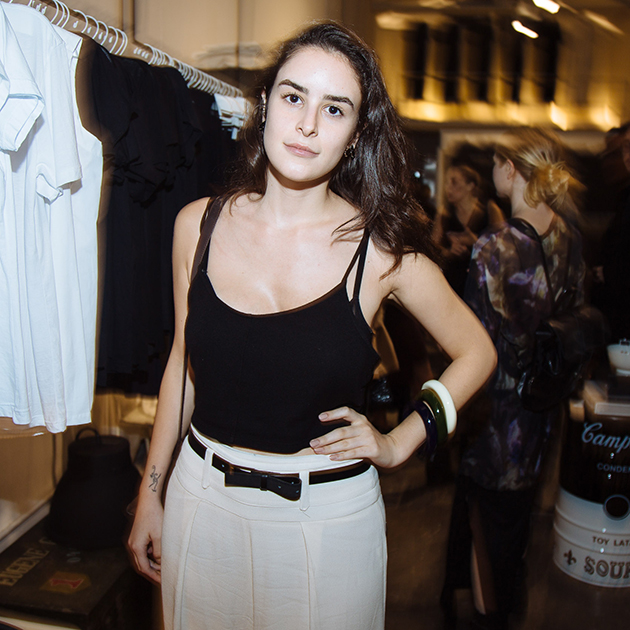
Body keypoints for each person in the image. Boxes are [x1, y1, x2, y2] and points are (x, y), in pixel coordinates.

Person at [127, 21, 496, 630]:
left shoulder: (378, 253)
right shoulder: (198, 225)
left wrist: (401, 442)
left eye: (334, 109)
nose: (307, 124)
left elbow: (477, 352)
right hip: (201, 498)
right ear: (265, 102)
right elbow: (181, 368)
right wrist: (151, 493)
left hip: (326, 520)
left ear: (355, 135)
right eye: (294, 96)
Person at [441, 128, 586, 630]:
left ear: (511, 170)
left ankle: (490, 615)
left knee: (486, 519)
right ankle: (485, 599)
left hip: (493, 413)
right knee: (513, 515)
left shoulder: (495, 247)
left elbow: (471, 341)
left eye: (496, 163)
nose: (493, 171)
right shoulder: (570, 239)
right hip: (542, 408)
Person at [433, 164, 503, 297]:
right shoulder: (444, 215)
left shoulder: (490, 211)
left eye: (454, 182)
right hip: (452, 288)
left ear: (470, 186)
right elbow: (432, 250)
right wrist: (449, 252)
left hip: (482, 289)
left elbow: (504, 252)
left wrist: (476, 242)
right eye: (446, 183)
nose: (448, 187)